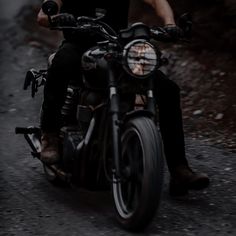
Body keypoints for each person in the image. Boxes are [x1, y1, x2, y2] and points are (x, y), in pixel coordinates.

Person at [37, 0, 210, 196]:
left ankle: (179, 169)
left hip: (116, 47)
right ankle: (49, 135)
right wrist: (55, 18)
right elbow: (43, 16)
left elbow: (156, 1)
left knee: (168, 89)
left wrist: (169, 25)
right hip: (78, 44)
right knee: (63, 61)